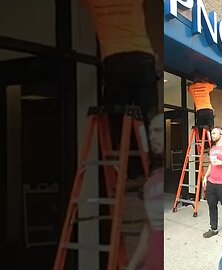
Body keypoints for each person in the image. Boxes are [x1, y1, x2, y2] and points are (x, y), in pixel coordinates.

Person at [81, 0, 162, 171]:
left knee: (117, 117)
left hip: (114, 60)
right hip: (142, 57)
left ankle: (123, 167)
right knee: (149, 115)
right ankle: (154, 166)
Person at [127, 114, 164, 270]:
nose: (152, 137)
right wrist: (133, 265)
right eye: (150, 132)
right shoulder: (152, 181)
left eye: (158, 131)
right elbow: (149, 229)